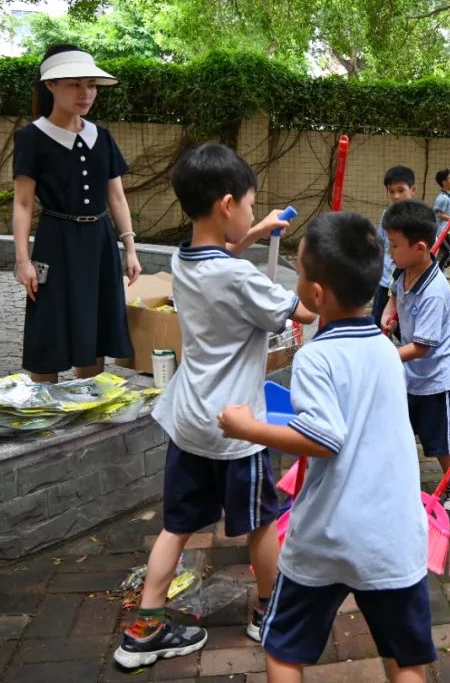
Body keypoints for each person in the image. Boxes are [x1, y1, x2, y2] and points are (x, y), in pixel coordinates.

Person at [113, 144, 316, 669]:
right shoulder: (243, 279)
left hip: (188, 420)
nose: (252, 212)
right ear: (227, 203)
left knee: (176, 525)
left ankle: (144, 629)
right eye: (249, 205)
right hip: (235, 428)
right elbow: (307, 308)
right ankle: (268, 612)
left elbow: (221, 258)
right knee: (262, 522)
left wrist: (254, 231)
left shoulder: (182, 258)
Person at [219, 212, 435, 683]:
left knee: (283, 649)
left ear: (316, 294)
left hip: (327, 536)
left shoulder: (316, 355)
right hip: (393, 538)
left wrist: (248, 427)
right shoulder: (384, 349)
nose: (295, 280)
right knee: (408, 661)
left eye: (298, 271)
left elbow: (323, 437)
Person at [12, 44, 141, 382]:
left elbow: (116, 197)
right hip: (55, 242)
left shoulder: (102, 136)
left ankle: (87, 407)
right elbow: (23, 203)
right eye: (74, 84)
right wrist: (22, 259)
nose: (85, 93)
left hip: (99, 242)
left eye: (91, 85)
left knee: (94, 323)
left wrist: (129, 248)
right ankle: (46, 408)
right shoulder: (31, 138)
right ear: (51, 86)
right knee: (48, 322)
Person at [381, 200, 450, 523]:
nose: (389, 251)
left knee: (438, 440)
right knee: (399, 427)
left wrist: (384, 356)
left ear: (420, 247)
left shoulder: (436, 291)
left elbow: (420, 347)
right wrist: (388, 316)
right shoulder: (403, 270)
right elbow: (394, 295)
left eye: (394, 245)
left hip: (435, 378)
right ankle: (397, 477)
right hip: (410, 375)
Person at [372, 166, 417, 328]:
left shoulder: (418, 219)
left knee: (404, 326)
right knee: (378, 323)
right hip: (384, 282)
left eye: (401, 190)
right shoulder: (387, 215)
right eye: (391, 191)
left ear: (412, 190)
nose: (396, 196)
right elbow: (380, 243)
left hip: (406, 284)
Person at [433, 168, 450, 269]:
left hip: (444, 230)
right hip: (439, 231)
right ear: (444, 182)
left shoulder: (448, 197)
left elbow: (447, 211)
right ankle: (439, 272)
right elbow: (438, 214)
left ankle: (438, 272)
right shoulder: (442, 198)